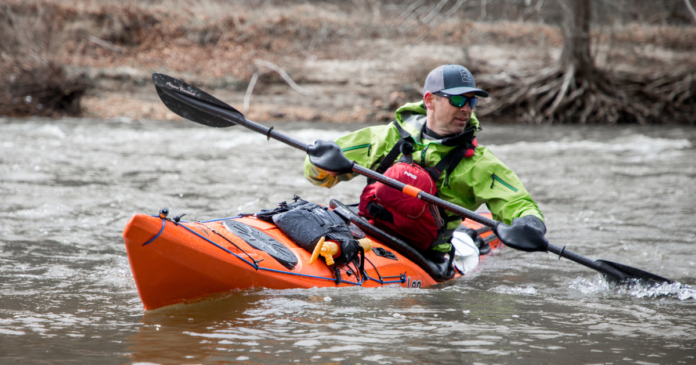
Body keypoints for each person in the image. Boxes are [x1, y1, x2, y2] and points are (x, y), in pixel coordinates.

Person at [303, 64, 547, 262]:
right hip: (367, 232)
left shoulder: (480, 164)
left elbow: (519, 203)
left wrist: (530, 224)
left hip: (424, 256)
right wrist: (321, 163)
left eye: (471, 102)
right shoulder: (387, 137)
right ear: (430, 100)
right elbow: (317, 176)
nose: (467, 110)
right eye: (458, 100)